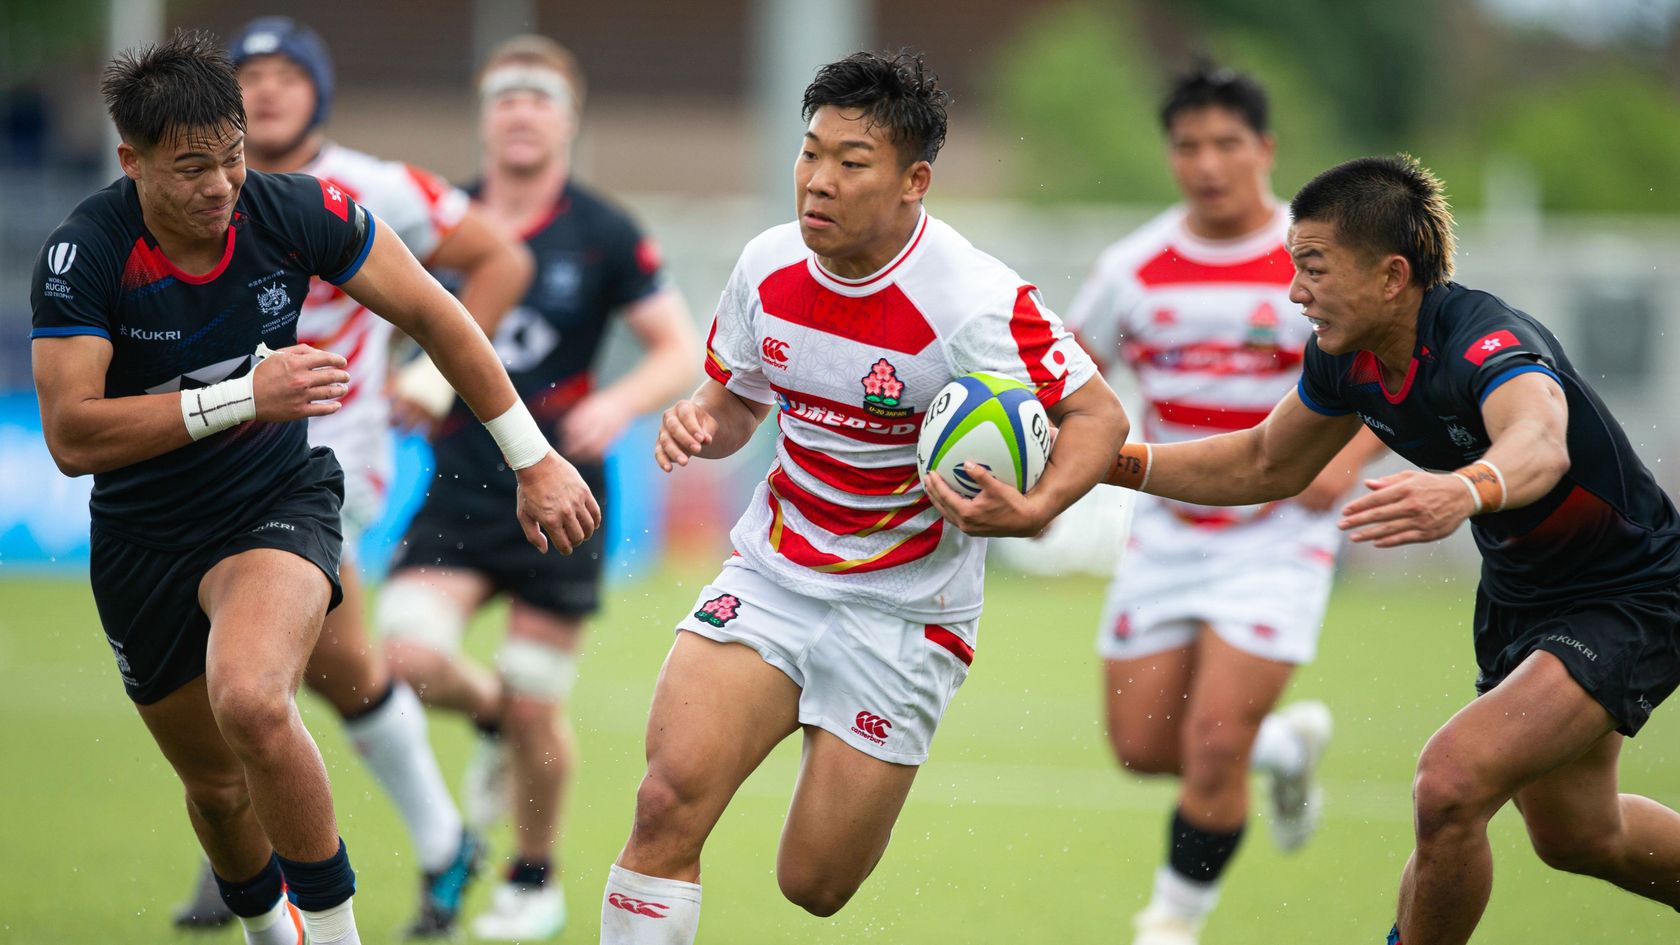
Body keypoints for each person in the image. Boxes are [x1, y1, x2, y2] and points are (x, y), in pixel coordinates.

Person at [30, 31, 599, 945]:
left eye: (232, 157)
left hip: (278, 499)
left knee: (255, 698)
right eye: (190, 169)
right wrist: (240, 397)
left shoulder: (297, 208)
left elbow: (434, 309)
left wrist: (532, 456)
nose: (220, 186)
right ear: (130, 160)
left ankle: (340, 929)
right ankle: (277, 931)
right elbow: (69, 434)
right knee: (216, 792)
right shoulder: (86, 254)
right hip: (142, 539)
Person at [596, 50, 1127, 945]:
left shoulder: (976, 302)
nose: (818, 182)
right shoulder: (767, 266)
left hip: (906, 611)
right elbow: (736, 403)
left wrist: (1037, 510)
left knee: (815, 882)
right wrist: (698, 418)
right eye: (811, 154)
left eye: (851, 162)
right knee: (664, 802)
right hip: (774, 570)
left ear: (915, 181)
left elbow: (1097, 414)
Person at [1103, 154, 1680, 945]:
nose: (1295, 291)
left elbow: (1540, 440)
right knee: (1580, 835)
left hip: (1631, 590)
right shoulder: (1347, 358)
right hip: (1522, 598)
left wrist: (1468, 487)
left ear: (1391, 275)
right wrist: (1109, 464)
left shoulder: (1485, 338)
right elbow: (1264, 461)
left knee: (1450, 782)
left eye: (1313, 267)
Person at [166, 17, 538, 938]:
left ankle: (245, 859)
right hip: (215, 464)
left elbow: (499, 257)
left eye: (290, 74)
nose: (269, 89)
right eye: (250, 75)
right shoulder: (193, 197)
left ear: (319, 93)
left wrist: (426, 371)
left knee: (256, 676)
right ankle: (444, 839)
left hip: (333, 463)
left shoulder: (368, 187)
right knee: (340, 671)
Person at [374, 35, 699, 942]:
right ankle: (490, 722)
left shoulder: (604, 230)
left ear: (569, 118)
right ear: (485, 116)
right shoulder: (438, 219)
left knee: (536, 692)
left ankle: (533, 875)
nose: (523, 109)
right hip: (459, 483)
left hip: (567, 487)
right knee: (404, 657)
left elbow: (677, 347)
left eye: (541, 96)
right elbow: (382, 322)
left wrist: (623, 404)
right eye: (507, 94)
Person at [1063, 65, 1386, 945]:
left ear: (1265, 149)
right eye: (1188, 145)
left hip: (1280, 533)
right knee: (1140, 747)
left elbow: (1394, 373)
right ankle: (1281, 748)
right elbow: (1064, 377)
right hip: (1168, 525)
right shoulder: (1132, 268)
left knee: (1211, 743)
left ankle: (1171, 921)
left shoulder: (1315, 258)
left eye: (1226, 144)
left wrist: (1346, 460)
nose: (1207, 164)